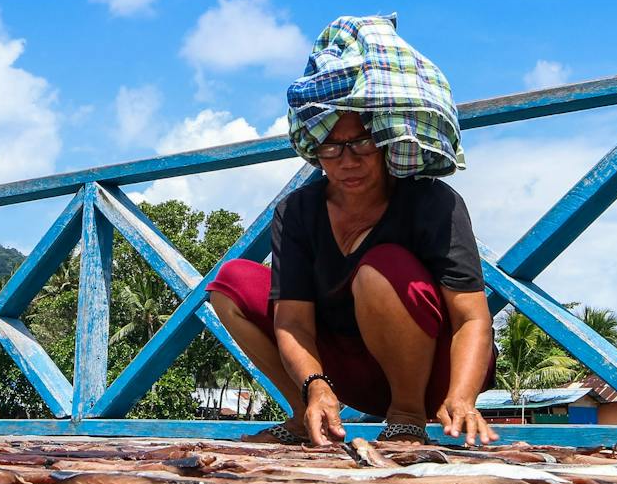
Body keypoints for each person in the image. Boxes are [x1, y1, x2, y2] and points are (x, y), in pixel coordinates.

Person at [208, 108, 499, 447]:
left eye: (362, 143)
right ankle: (309, 415)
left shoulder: (433, 201)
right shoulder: (297, 212)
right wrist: (315, 385)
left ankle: (406, 418)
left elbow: (472, 318)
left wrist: (463, 396)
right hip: (349, 373)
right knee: (231, 282)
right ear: (315, 152)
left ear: (386, 142)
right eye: (331, 147)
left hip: (437, 374)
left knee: (380, 268)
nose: (347, 161)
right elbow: (293, 323)